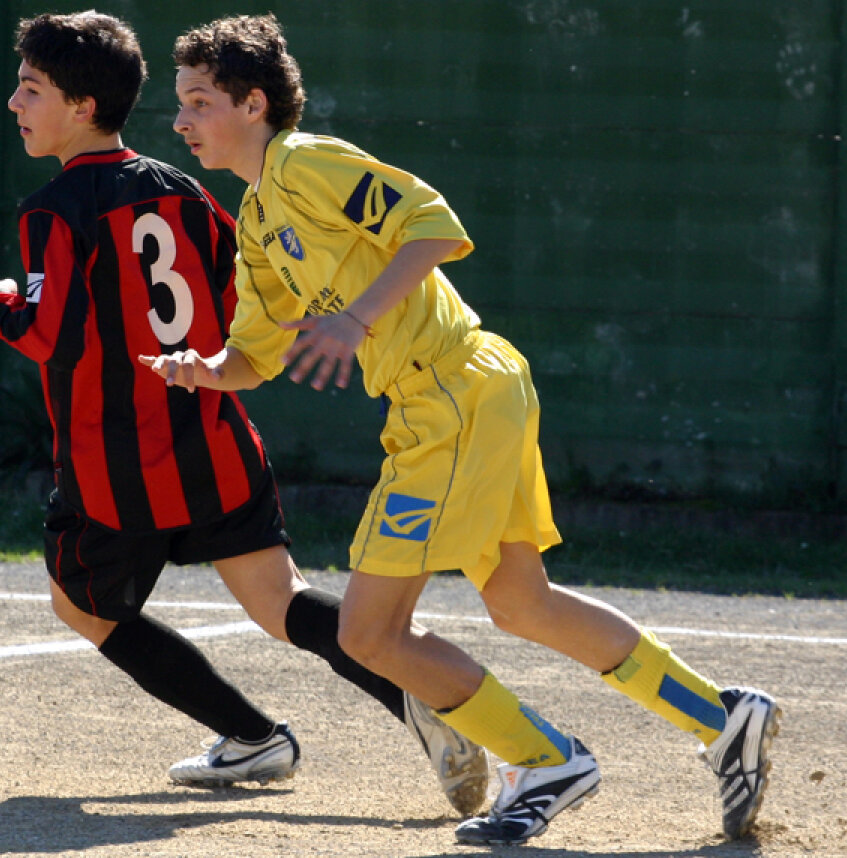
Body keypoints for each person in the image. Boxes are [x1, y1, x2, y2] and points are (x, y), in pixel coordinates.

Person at [145, 12, 781, 846]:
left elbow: (434, 225)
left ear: (254, 104)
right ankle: (721, 715)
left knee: (367, 633)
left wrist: (358, 318)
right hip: (457, 399)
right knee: (522, 602)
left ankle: (544, 761)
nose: (181, 119)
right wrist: (200, 369)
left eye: (197, 100)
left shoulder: (308, 162)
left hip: (452, 395)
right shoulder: (260, 222)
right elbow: (254, 358)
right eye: (180, 103)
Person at [0, 10, 489, 817]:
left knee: (81, 604)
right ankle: (417, 703)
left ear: (81, 106)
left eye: (29, 88)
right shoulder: (185, 190)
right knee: (283, 603)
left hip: (118, 460)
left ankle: (251, 735)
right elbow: (239, 299)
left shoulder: (52, 209)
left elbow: (48, 331)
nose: (13, 103)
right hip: (211, 435)